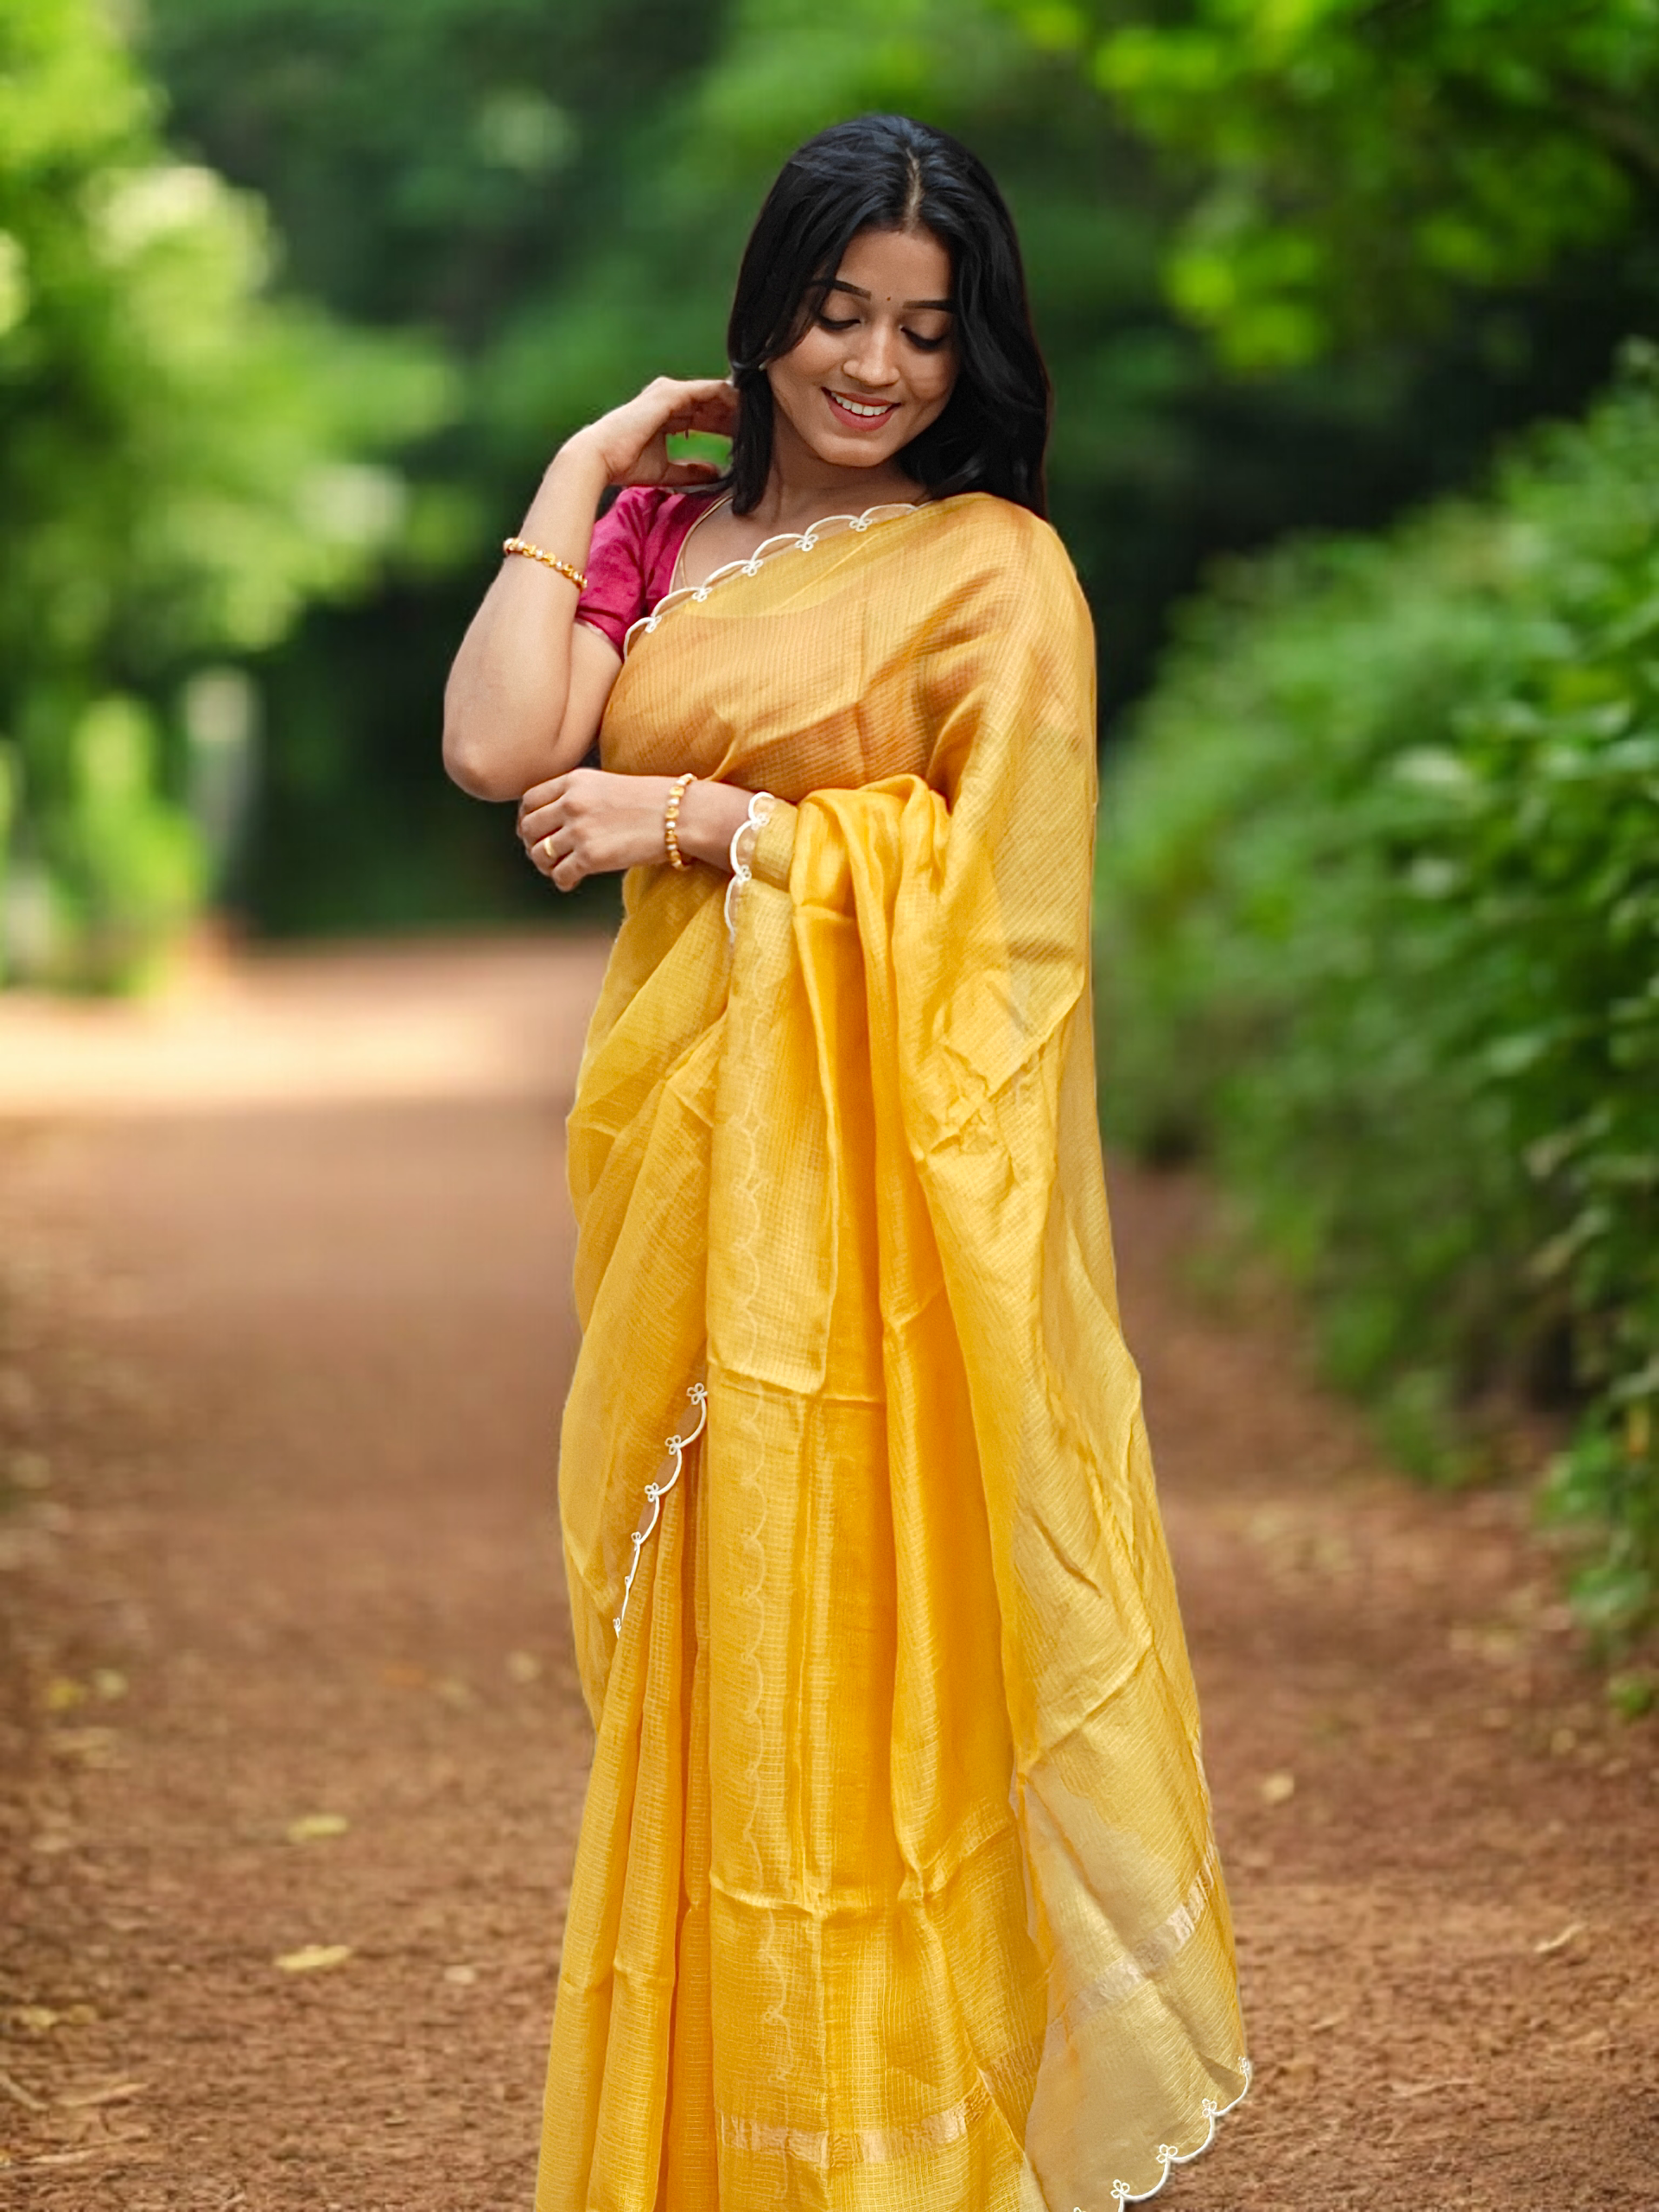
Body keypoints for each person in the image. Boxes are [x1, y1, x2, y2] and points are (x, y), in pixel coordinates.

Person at [444, 111, 1249, 2212]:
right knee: (719, 1659)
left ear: (975, 347)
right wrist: (583, 470)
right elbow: (500, 744)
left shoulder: (994, 573)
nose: (876, 365)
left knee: (871, 1659)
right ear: (766, 313)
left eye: (925, 326)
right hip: (686, 1179)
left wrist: (708, 823)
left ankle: (899, 2155)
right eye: (835, 313)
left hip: (883, 1223)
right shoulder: (671, 542)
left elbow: (1009, 916)